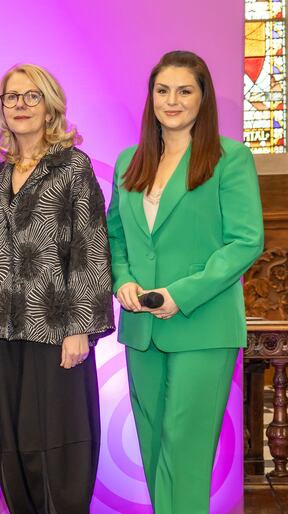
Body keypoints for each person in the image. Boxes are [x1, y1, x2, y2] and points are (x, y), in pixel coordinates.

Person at [107, 50, 264, 513]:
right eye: (162, 90)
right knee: (154, 448)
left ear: (203, 98)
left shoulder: (228, 158)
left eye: (184, 91)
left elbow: (245, 241)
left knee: (187, 451)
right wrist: (123, 280)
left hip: (202, 326)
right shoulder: (127, 161)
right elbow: (115, 235)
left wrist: (181, 294)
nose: (171, 100)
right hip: (141, 329)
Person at [0, 64, 115, 513]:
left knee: (59, 451)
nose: (20, 105)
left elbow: (91, 247)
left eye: (31, 96)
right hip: (6, 332)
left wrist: (81, 327)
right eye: (11, 97)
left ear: (50, 104)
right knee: (13, 448)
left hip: (57, 333)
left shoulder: (73, 166)